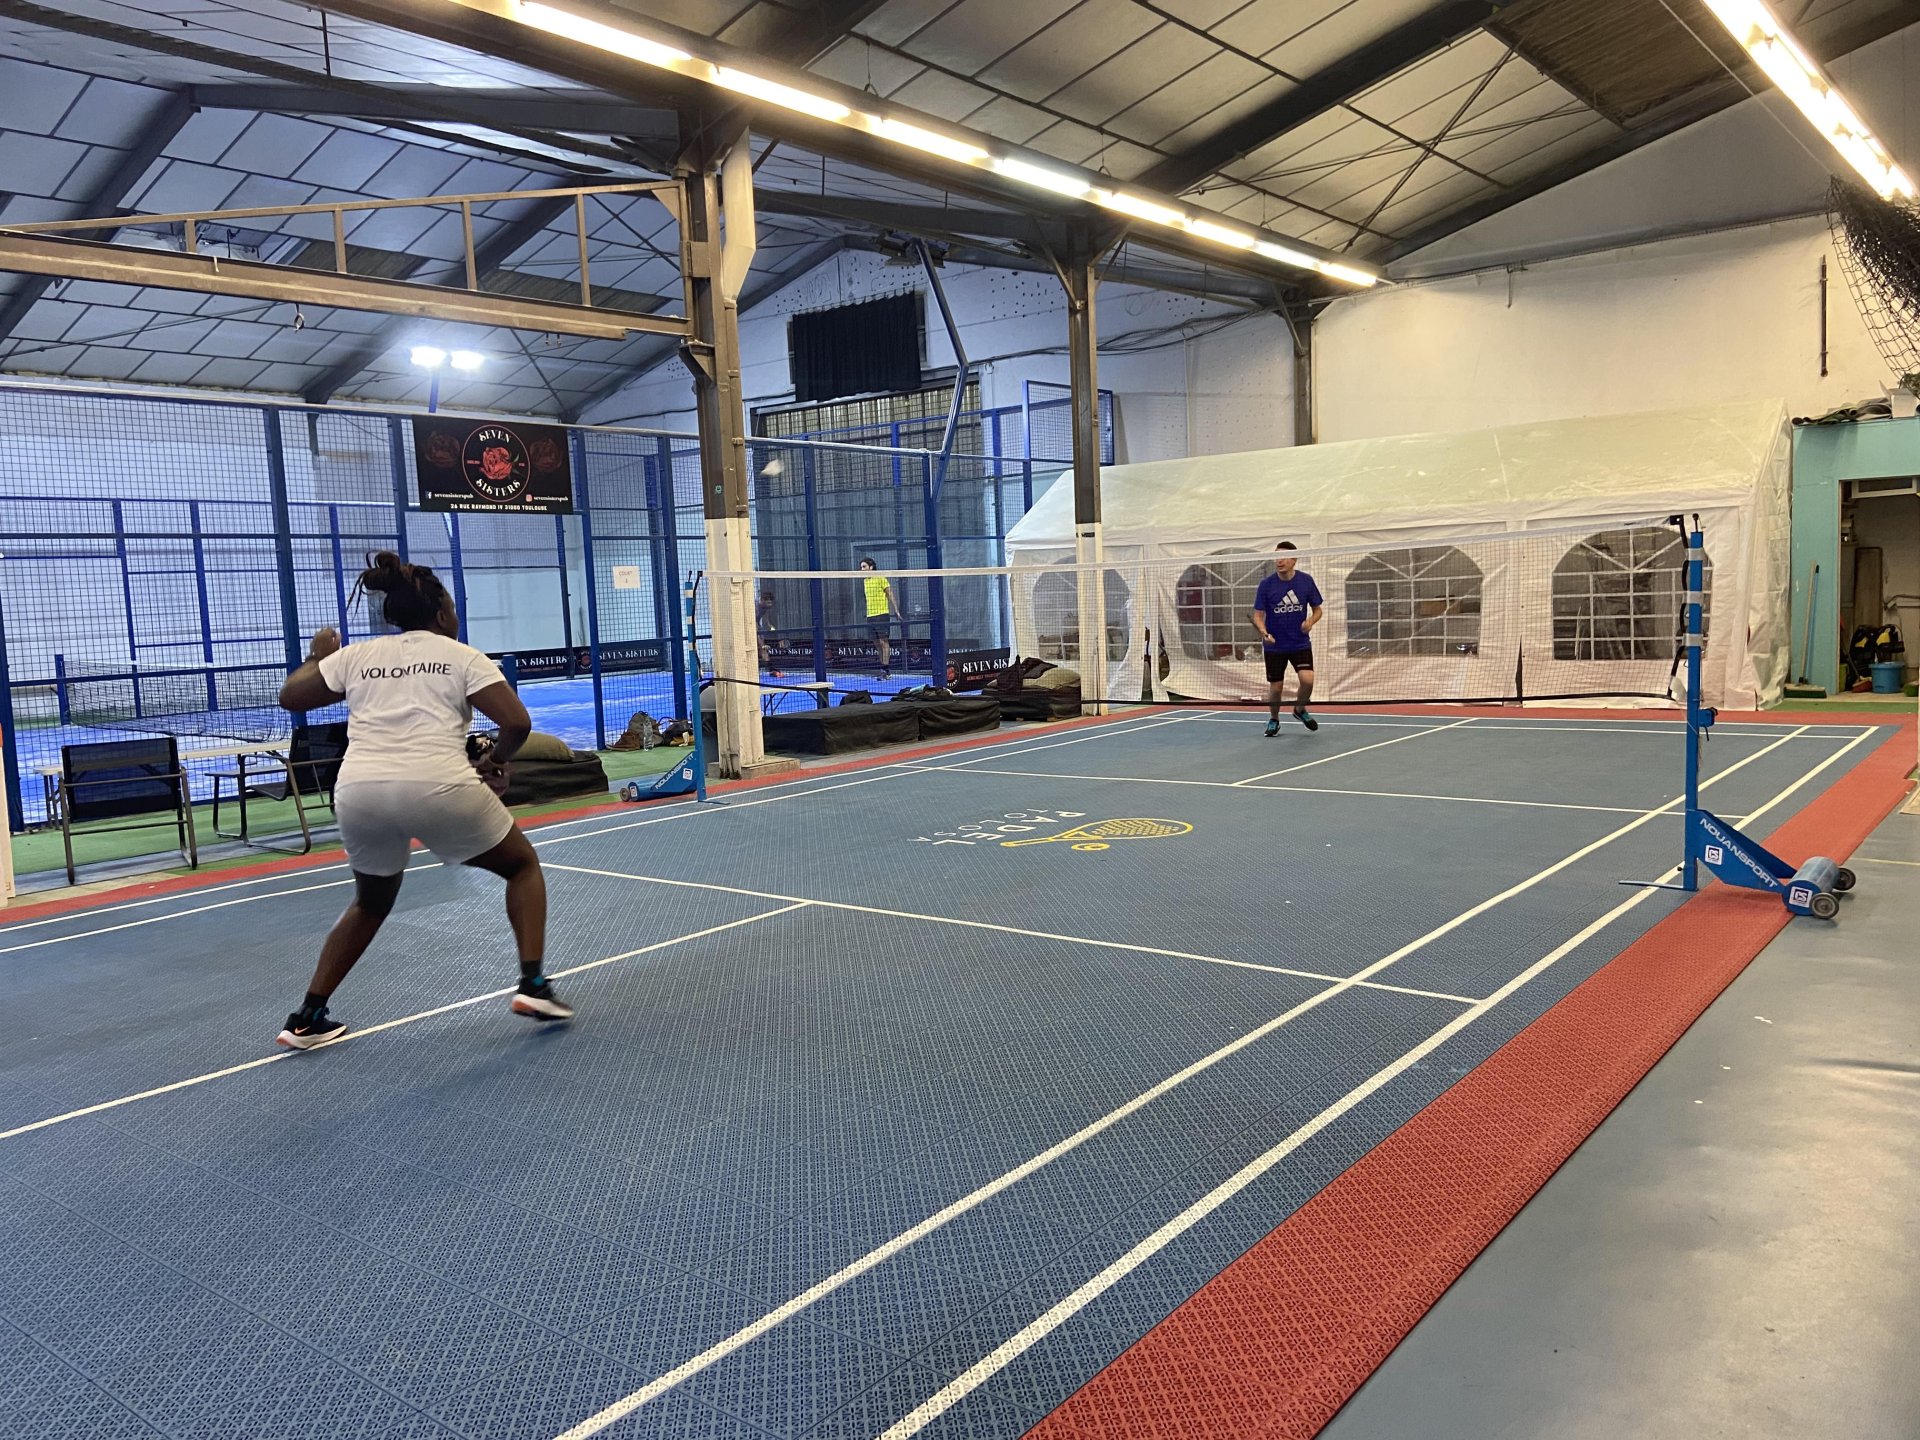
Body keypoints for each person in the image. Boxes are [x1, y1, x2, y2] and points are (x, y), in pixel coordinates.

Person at [273, 551, 573, 1050]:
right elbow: (517, 723)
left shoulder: (357, 656)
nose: (455, 616)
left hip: (359, 792)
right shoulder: (462, 655)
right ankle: (534, 985)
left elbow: (291, 697)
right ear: (440, 614)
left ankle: (307, 1017)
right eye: (452, 608)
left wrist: (317, 656)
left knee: (370, 902)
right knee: (521, 866)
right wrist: (495, 761)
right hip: (437, 784)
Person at [1251, 540, 1323, 736]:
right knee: (1276, 688)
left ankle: (1299, 709)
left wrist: (1310, 621)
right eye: (1276, 557)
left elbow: (1318, 610)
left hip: (1299, 642)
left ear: (1294, 559)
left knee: (1307, 680)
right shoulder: (1266, 585)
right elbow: (1258, 616)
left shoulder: (1305, 581)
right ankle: (1274, 719)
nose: (1279, 561)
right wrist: (1264, 632)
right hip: (1275, 645)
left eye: (1283, 557)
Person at [858, 557, 898, 680]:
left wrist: (896, 610)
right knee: (876, 643)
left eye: (864, 567)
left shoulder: (880, 577)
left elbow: (890, 593)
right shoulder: (865, 581)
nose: (861, 569)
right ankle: (883, 668)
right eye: (861, 567)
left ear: (871, 567)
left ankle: (886, 670)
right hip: (870, 616)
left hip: (882, 614)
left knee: (883, 642)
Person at [756, 588, 782, 678]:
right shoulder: (755, 607)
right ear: (762, 600)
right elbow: (752, 621)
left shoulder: (765, 608)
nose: (770, 605)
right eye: (768, 602)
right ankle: (771, 669)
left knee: (763, 648)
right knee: (761, 647)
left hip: (758, 628)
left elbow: (766, 618)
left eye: (771, 603)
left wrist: (770, 625)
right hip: (750, 628)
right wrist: (757, 630)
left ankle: (771, 669)